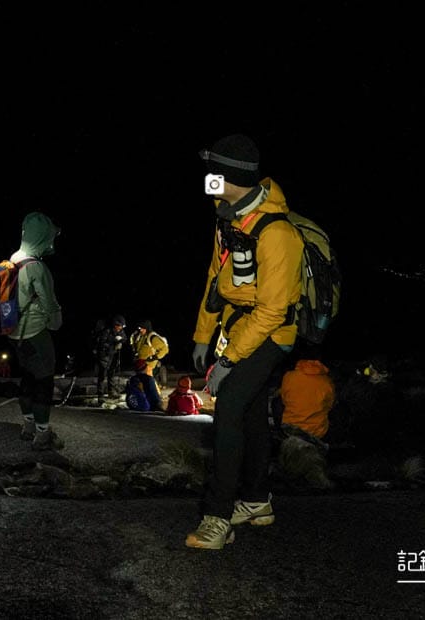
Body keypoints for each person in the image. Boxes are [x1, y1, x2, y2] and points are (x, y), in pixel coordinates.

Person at [186, 133, 304, 550]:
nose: (207, 180)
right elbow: (213, 280)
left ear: (228, 176)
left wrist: (229, 360)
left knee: (230, 407)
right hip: (238, 326)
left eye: (213, 174)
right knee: (251, 412)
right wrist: (204, 333)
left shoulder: (278, 233)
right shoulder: (228, 217)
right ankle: (257, 500)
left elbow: (272, 312)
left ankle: (218, 516)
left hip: (272, 333)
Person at [8, 211, 65, 451]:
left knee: (27, 379)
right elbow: (50, 304)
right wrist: (54, 323)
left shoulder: (11, 261)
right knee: (43, 382)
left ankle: (28, 425)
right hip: (35, 333)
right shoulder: (36, 267)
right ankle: (42, 435)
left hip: (13, 334)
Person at [279, 358, 336, 441]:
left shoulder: (289, 376)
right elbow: (329, 405)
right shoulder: (327, 382)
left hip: (290, 427)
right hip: (317, 431)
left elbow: (284, 399)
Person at [93, 314, 128, 400]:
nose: (121, 328)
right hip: (104, 356)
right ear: (115, 325)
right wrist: (114, 342)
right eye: (119, 326)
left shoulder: (120, 331)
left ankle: (111, 392)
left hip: (113, 356)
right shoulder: (107, 331)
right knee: (102, 376)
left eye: (122, 327)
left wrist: (120, 341)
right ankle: (100, 395)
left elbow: (125, 338)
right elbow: (102, 344)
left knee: (111, 374)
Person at [130, 319, 169, 389]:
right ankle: (145, 397)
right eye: (140, 328)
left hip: (149, 365)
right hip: (141, 364)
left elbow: (165, 349)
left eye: (143, 328)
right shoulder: (141, 336)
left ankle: (155, 397)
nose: (141, 330)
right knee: (143, 383)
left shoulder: (152, 337)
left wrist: (155, 357)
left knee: (150, 383)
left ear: (147, 328)